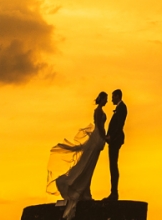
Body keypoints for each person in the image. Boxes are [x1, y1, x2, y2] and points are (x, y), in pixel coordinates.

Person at [49, 92, 107, 220]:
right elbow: (100, 127)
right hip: (98, 138)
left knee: (89, 167)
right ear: (101, 99)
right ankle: (81, 189)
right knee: (86, 166)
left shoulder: (99, 110)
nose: (106, 101)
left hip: (98, 139)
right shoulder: (98, 111)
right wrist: (105, 138)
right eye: (105, 99)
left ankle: (86, 190)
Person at [106, 89, 127, 200]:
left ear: (118, 96)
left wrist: (111, 136)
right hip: (114, 140)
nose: (111, 99)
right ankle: (113, 192)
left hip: (115, 140)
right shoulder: (120, 108)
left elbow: (119, 125)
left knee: (113, 165)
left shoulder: (122, 108)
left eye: (113, 97)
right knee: (112, 165)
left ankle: (114, 192)